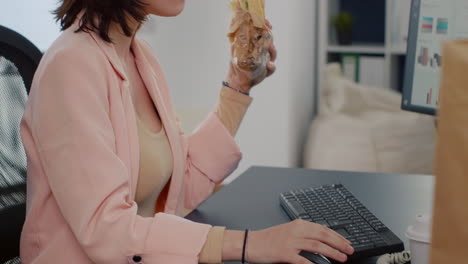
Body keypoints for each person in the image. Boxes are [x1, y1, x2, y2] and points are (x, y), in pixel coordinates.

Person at [19, 0, 354, 263]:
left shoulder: (141, 58)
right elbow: (107, 233)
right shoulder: (71, 66)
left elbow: (178, 188)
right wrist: (252, 243)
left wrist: (238, 85)